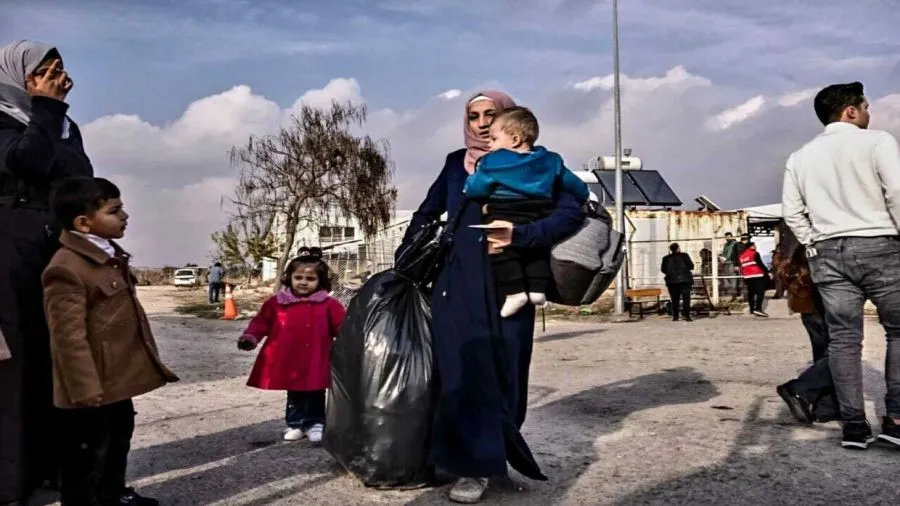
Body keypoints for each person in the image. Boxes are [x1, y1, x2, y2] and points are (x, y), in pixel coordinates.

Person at [399, 91, 585, 504]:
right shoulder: (455, 163)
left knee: (506, 372)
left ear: (511, 121)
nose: (482, 123)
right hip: (456, 282)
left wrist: (522, 235)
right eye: (474, 115)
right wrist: (403, 261)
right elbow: (428, 211)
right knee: (463, 371)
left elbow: (572, 211)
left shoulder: (538, 163)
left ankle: (493, 453)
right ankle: (470, 465)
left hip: (510, 283)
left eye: (492, 114)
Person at [42, 177, 178, 506]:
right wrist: (84, 389)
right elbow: (67, 338)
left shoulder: (108, 254)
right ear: (84, 223)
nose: (125, 216)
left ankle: (114, 494)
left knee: (118, 440)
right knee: (86, 457)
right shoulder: (67, 267)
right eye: (114, 210)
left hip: (114, 383)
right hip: (89, 389)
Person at [0, 40, 94, 504]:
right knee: (19, 362)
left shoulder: (63, 126)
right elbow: (26, 162)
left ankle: (60, 471)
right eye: (45, 69)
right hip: (10, 249)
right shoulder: (5, 116)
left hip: (58, 249)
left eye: (61, 67)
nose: (58, 76)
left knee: (62, 357)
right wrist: (45, 107)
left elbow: (80, 181)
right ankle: (14, 480)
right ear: (19, 75)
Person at [782, 81, 900, 449]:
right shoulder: (878, 141)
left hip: (828, 253)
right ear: (850, 111)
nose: (869, 113)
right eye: (865, 107)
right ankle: (895, 419)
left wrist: (814, 243)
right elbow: (896, 192)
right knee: (898, 331)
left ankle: (853, 426)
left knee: (844, 341)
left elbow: (791, 213)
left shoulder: (800, 156)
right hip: (880, 244)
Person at [464, 106, 589, 317]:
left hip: (505, 211)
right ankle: (537, 289)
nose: (490, 144)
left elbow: (476, 188)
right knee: (536, 250)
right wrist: (583, 193)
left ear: (514, 140)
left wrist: (470, 187)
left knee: (500, 249)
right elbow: (576, 186)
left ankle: (515, 292)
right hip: (539, 210)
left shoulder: (494, 163)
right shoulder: (550, 160)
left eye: (494, 139)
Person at [238, 250, 345, 443]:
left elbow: (342, 327)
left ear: (320, 281)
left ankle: (315, 423)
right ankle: (295, 424)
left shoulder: (329, 304)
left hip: (316, 357)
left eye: (310, 278)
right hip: (289, 358)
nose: (303, 282)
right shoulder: (277, 303)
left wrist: (354, 340)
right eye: (298, 277)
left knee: (315, 391)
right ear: (289, 278)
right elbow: (261, 322)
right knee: (294, 392)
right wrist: (250, 337)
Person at [775, 244, 838, 425]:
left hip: (809, 313)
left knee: (823, 357)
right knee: (842, 353)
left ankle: (827, 409)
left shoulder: (801, 258)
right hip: (825, 310)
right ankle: (799, 389)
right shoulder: (823, 249)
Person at [660, 243, 694, 322]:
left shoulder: (666, 258)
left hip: (672, 281)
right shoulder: (685, 255)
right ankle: (687, 316)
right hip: (685, 280)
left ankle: (675, 316)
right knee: (686, 299)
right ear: (678, 248)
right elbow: (691, 266)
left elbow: (663, 269)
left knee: (675, 299)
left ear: (670, 249)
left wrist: (670, 273)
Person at [739, 241, 770, 317]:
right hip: (757, 275)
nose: (756, 247)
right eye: (754, 245)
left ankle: (752, 309)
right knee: (760, 292)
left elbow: (742, 267)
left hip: (747, 276)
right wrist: (768, 272)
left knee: (751, 293)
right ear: (751, 247)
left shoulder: (742, 256)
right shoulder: (755, 253)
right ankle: (758, 309)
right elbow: (760, 264)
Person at [720, 232, 739, 300]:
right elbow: (724, 253)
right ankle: (731, 293)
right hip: (726, 263)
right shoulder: (726, 244)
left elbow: (731, 253)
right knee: (727, 278)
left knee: (732, 278)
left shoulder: (734, 243)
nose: (727, 238)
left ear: (731, 236)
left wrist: (724, 258)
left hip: (731, 262)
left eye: (729, 237)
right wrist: (722, 257)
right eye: (726, 237)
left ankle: (734, 295)